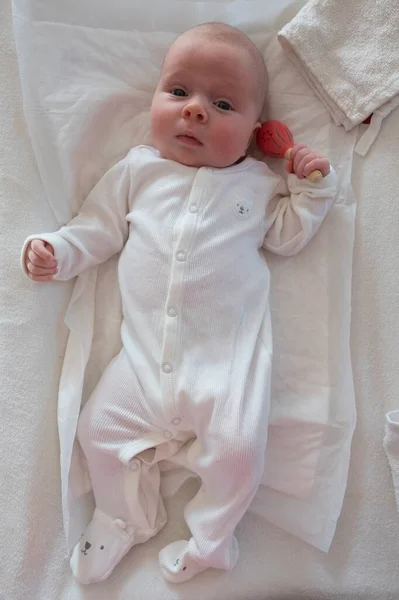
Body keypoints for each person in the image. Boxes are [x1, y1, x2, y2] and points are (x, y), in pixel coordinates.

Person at [22, 22, 335, 584]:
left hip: (223, 368)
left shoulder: (257, 188)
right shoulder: (138, 172)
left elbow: (289, 236)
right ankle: (122, 517)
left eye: (221, 103)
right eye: (178, 93)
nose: (195, 111)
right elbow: (96, 229)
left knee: (241, 452)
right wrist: (56, 250)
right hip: (141, 364)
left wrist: (312, 190)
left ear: (255, 133)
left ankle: (212, 540)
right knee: (98, 430)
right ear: (154, 100)